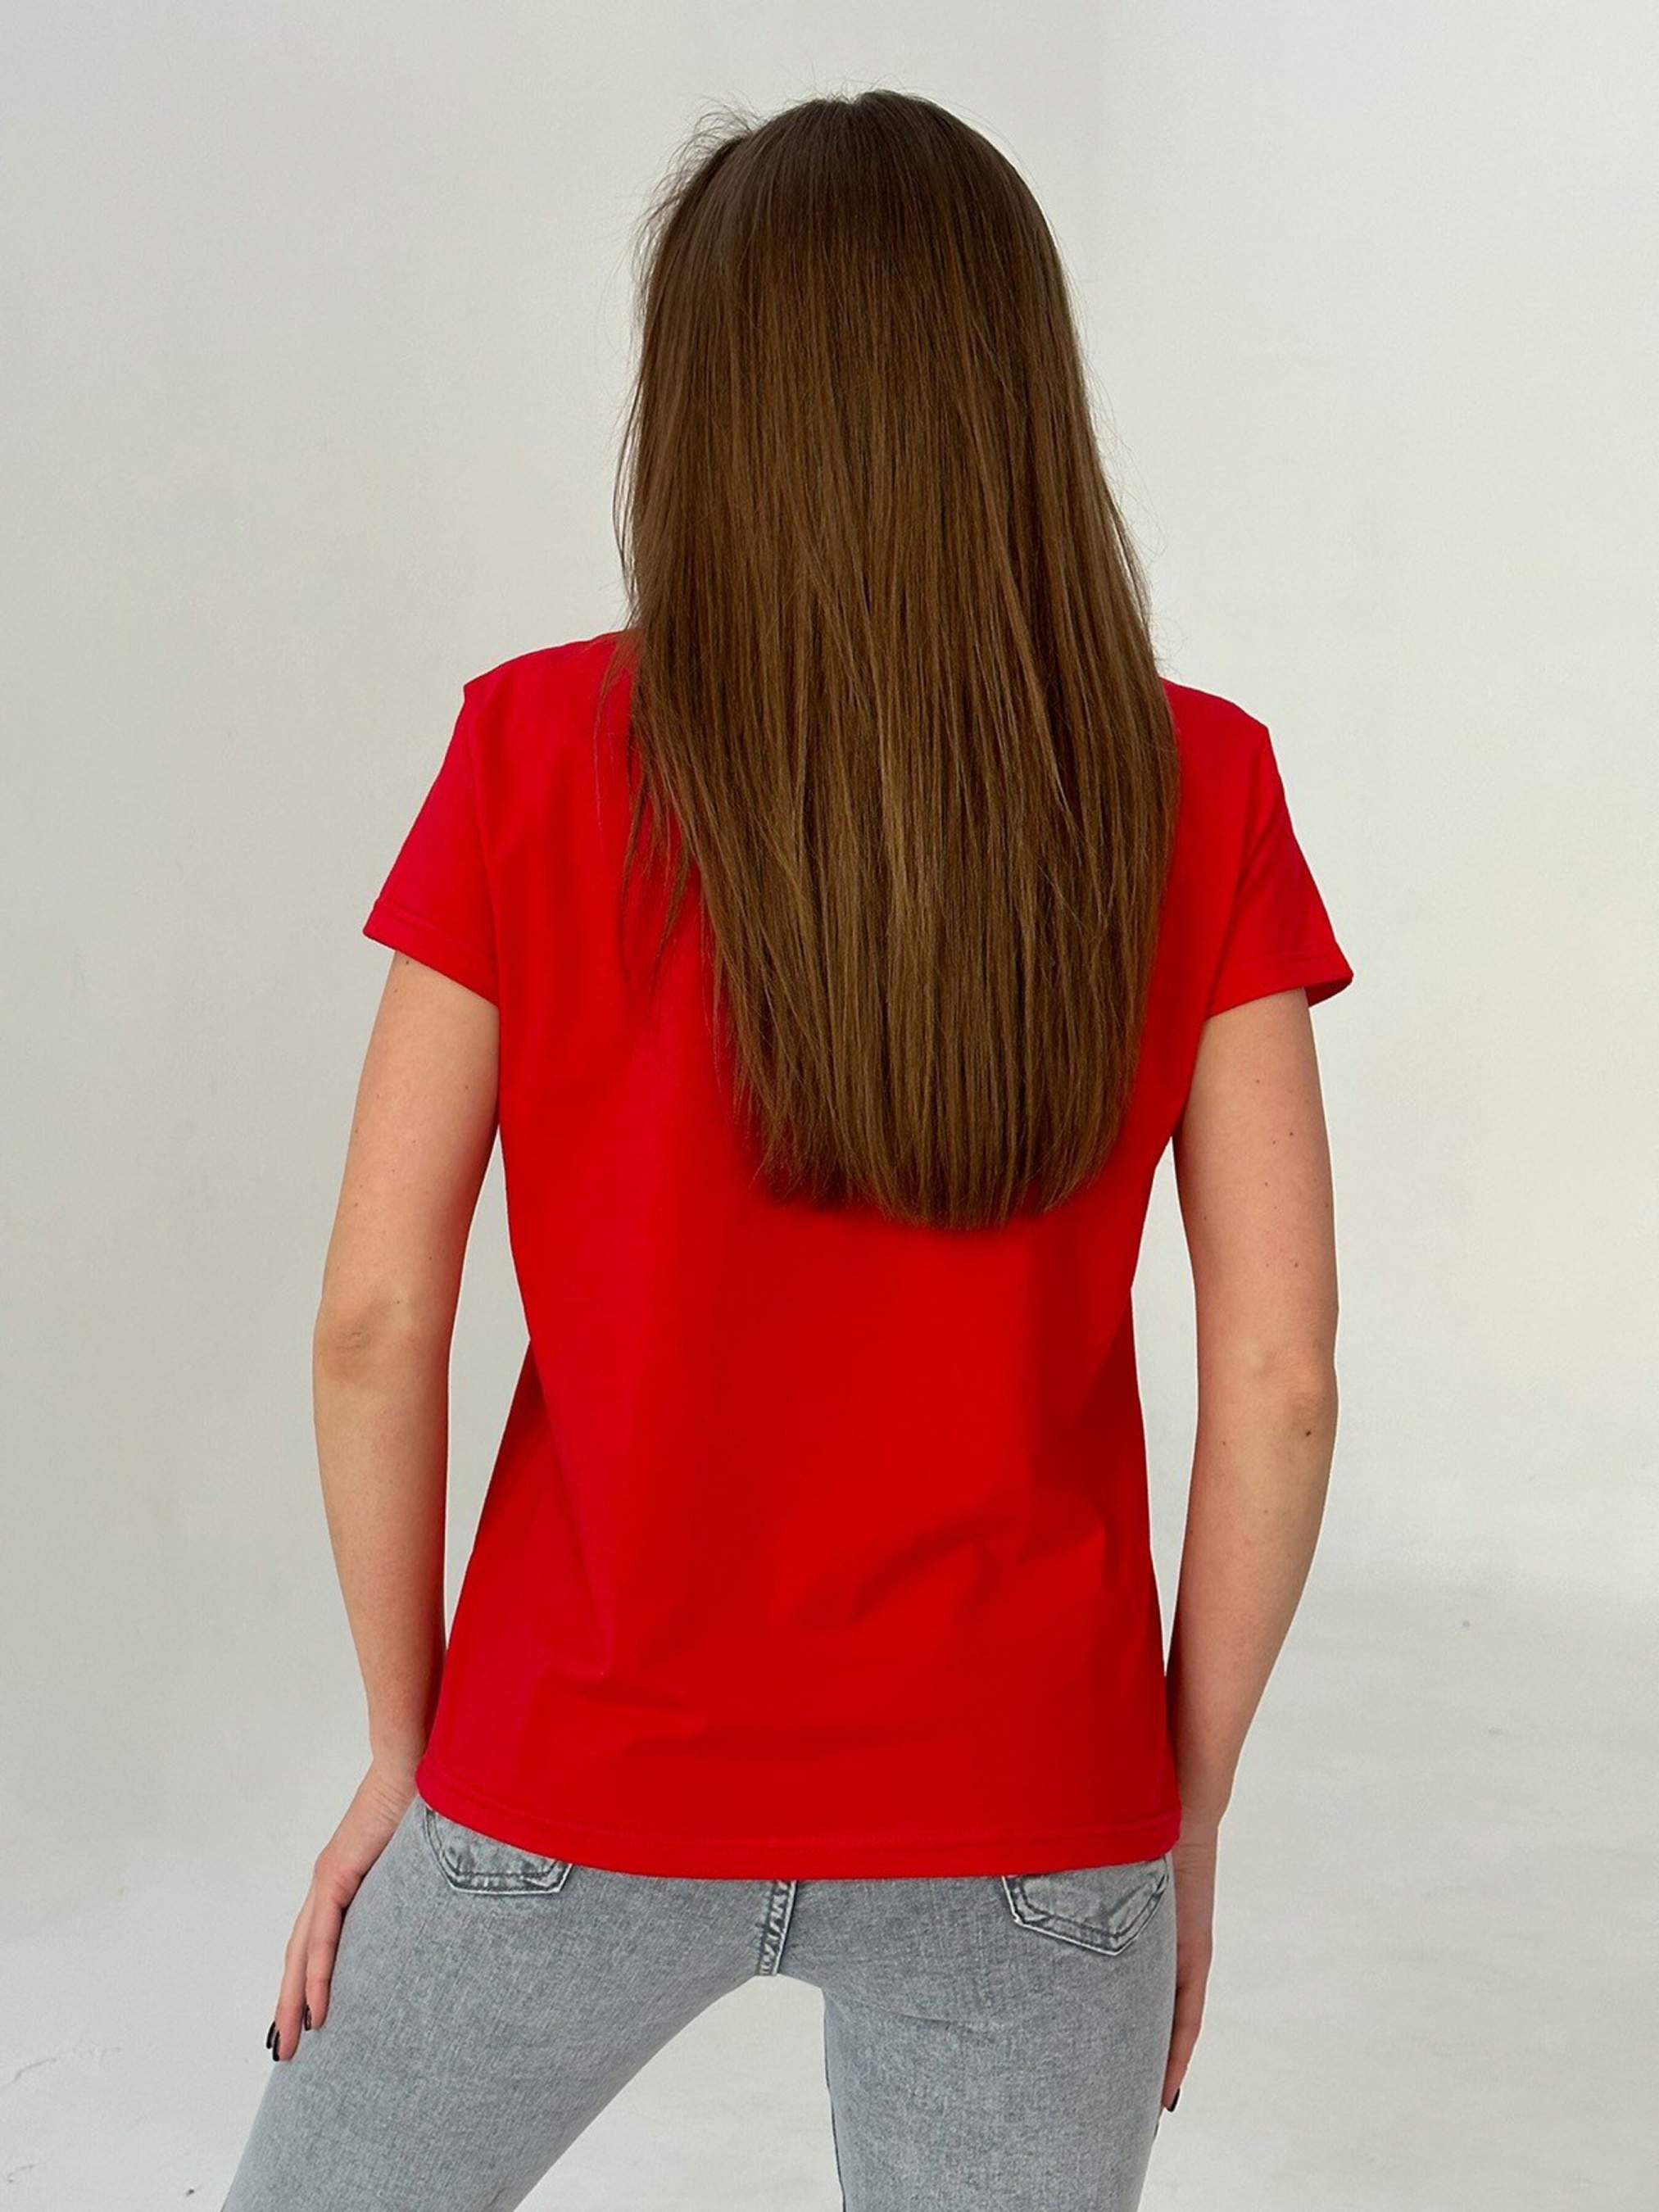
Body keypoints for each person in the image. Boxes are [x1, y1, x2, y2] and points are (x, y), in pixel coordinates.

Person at [222, 86, 1352, 2212]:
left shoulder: (531, 749)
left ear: (704, 406)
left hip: (577, 1757)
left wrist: (408, 1749)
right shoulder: (1194, 782)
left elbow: (374, 1317)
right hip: (1031, 1797)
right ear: (1014, 395)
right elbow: (1281, 1380)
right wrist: (1177, 1808)